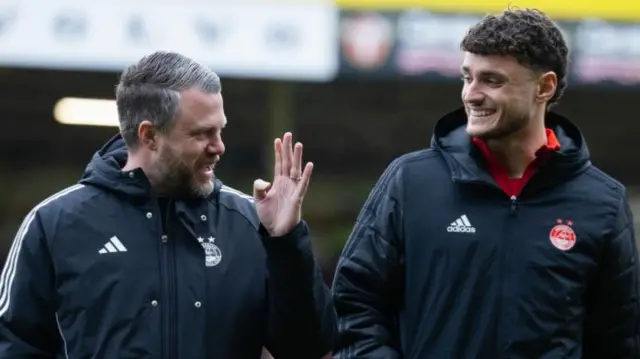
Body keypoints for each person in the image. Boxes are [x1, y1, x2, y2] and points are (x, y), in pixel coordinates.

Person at [332, 8, 639, 359]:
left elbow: (618, 340)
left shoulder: (603, 202)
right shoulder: (410, 182)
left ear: (544, 87)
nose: (471, 95)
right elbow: (355, 306)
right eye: (467, 77)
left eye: (492, 81)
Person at [0, 51, 336, 358]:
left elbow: (307, 349)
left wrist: (286, 244)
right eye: (202, 134)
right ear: (149, 136)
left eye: (221, 131)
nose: (219, 147)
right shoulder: (54, 224)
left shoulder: (252, 224)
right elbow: (13, 344)